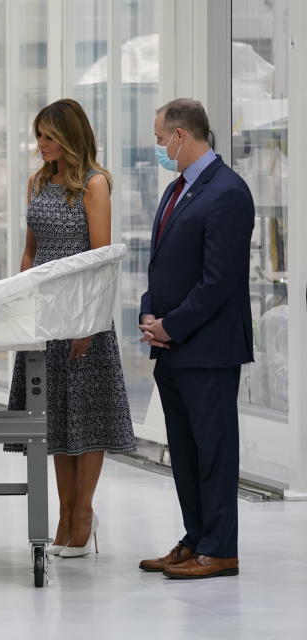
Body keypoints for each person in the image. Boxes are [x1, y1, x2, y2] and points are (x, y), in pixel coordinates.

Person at [7, 98, 136, 559]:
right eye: (38, 136)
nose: (40, 145)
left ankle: (83, 515)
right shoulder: (38, 182)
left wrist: (88, 323)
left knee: (89, 415)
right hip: (45, 315)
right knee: (55, 416)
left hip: (84, 313)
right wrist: (22, 304)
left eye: (48, 136)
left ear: (70, 136)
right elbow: (30, 251)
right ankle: (63, 514)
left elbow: (98, 260)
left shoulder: (94, 185)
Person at [138, 99, 254, 579]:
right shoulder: (176, 189)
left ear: (182, 135)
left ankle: (220, 548)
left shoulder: (227, 192)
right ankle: (196, 538)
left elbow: (219, 280)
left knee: (214, 452)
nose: (160, 147)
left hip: (206, 349)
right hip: (173, 348)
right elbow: (164, 262)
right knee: (184, 454)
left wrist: (173, 325)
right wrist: (149, 309)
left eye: (161, 138)